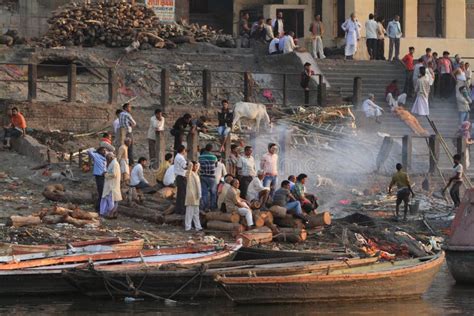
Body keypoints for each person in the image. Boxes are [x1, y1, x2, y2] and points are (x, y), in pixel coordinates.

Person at [100, 153, 122, 218]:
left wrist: (106, 174)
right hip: (110, 184)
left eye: (108, 159)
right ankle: (106, 213)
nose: (107, 160)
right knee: (108, 199)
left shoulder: (114, 164)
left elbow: (114, 174)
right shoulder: (113, 163)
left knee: (110, 200)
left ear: (111, 158)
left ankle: (111, 213)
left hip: (112, 185)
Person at [199, 143, 218, 212]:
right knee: (213, 192)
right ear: (211, 149)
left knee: (204, 192)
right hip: (211, 177)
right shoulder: (213, 157)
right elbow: (216, 165)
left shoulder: (200, 157)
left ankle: (205, 207)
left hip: (203, 176)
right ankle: (212, 207)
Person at [185, 161, 202, 231]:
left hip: (196, 196)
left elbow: (198, 166)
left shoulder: (196, 174)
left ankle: (198, 227)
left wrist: (197, 165)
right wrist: (190, 165)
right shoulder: (189, 173)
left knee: (196, 213)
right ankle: (188, 227)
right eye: (194, 166)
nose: (196, 167)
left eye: (196, 166)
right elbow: (188, 171)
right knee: (189, 213)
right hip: (191, 196)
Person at [88, 147, 107, 212]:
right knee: (101, 192)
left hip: (104, 176)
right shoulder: (96, 156)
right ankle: (98, 208)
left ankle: (101, 207)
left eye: (105, 150)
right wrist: (95, 150)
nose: (104, 152)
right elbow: (89, 151)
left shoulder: (105, 158)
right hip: (99, 176)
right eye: (103, 150)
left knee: (103, 192)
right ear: (99, 151)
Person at [174, 145, 188, 214]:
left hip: (179, 176)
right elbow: (185, 166)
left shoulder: (178, 156)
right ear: (182, 150)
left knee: (180, 194)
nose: (185, 152)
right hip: (181, 177)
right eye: (185, 150)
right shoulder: (180, 158)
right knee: (183, 194)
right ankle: (183, 210)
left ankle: (178, 210)